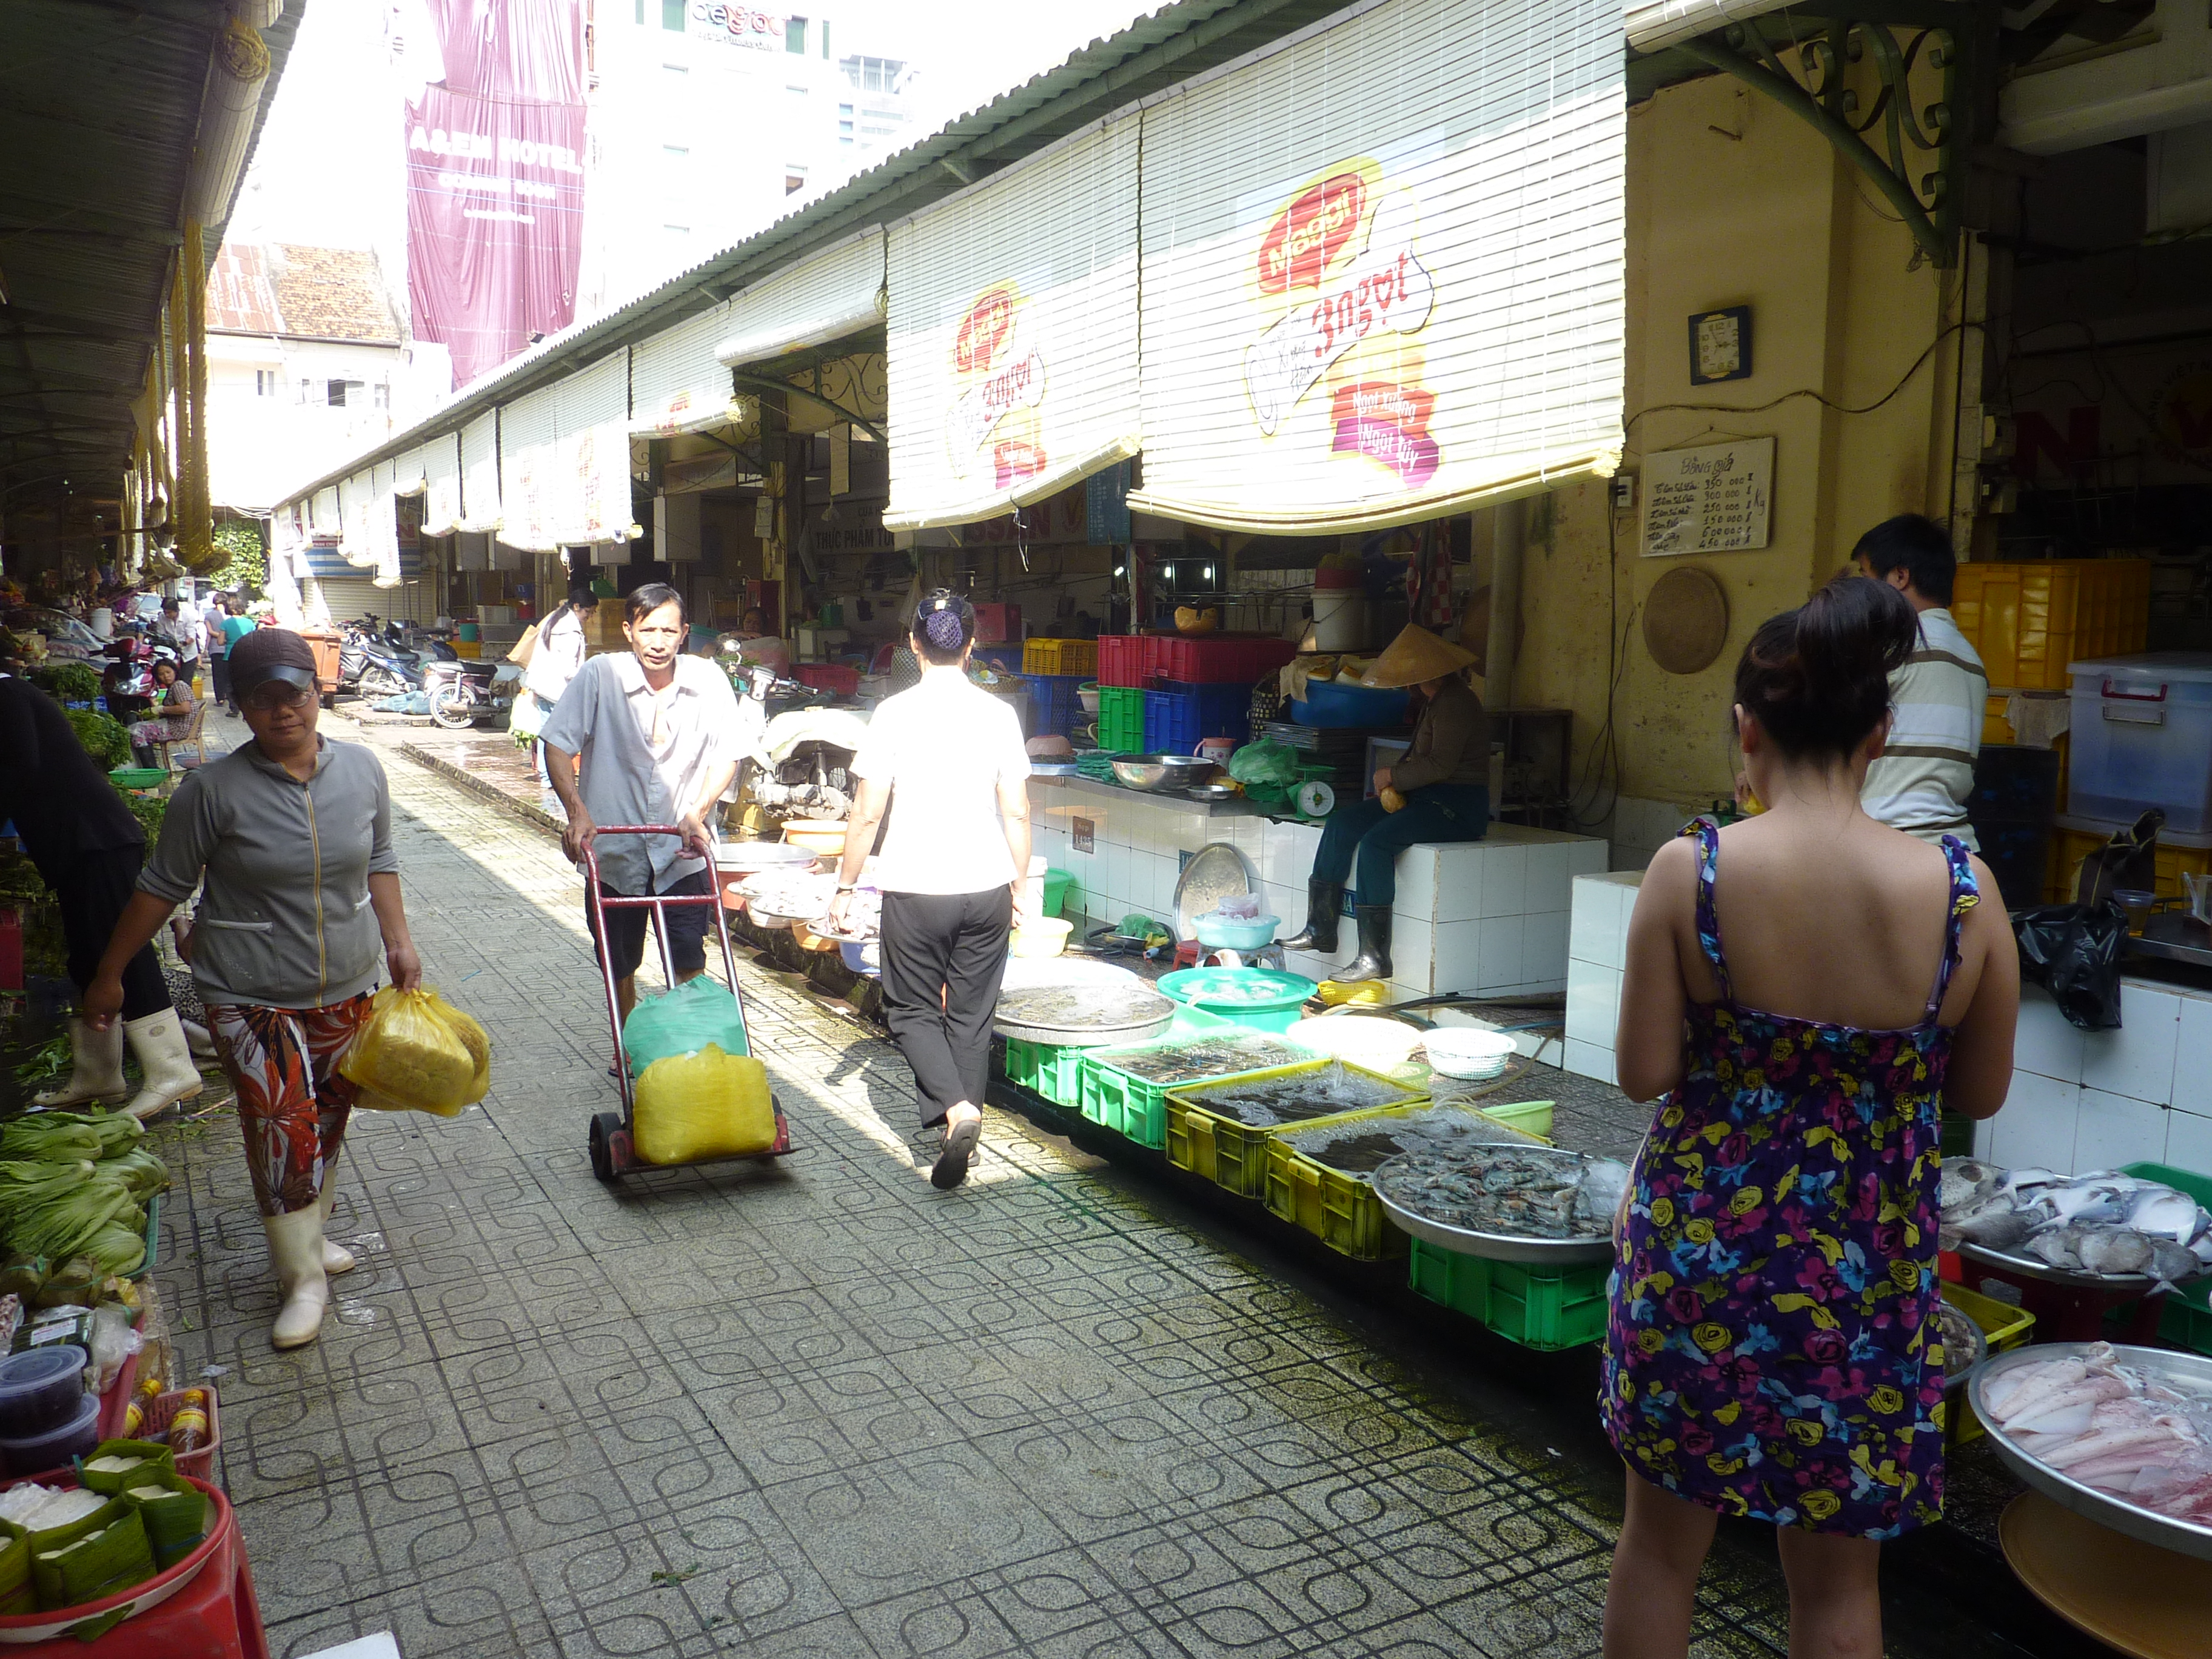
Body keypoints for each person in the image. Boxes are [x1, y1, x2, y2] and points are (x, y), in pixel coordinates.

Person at [1598, 577, 2019, 1659]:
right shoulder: (1966, 892)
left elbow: (1643, 1073)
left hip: (1698, 1257)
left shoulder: (1688, 871)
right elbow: (1978, 1094)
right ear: (1880, 735)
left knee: (1660, 1552)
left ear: (1747, 728)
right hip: (1863, 1275)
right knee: (1838, 1585)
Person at [82, 629, 421, 1350]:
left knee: (328, 1116)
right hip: (247, 989)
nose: (283, 711)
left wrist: (399, 940)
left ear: (317, 693)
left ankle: (311, 1236)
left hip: (347, 982)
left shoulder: (363, 770)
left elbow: (382, 857)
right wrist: (111, 974)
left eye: (294, 694)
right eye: (263, 700)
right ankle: (301, 1279)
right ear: (242, 705)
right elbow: (161, 886)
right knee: (279, 1124)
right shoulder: (211, 792)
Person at [828, 591, 1031, 1190]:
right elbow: (1018, 811)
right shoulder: (999, 715)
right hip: (987, 885)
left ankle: (959, 1110)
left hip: (917, 886)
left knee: (911, 1008)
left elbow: (867, 813)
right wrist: (1021, 887)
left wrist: (845, 886)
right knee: (970, 1016)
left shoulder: (894, 713)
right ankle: (960, 1134)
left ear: (914, 645)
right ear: (972, 646)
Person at [541, 584, 743, 1025]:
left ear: (684, 633)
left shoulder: (708, 680)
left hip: (681, 851)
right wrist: (577, 813)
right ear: (628, 630)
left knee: (689, 957)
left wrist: (698, 811)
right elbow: (557, 744)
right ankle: (627, 1042)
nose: (658, 642)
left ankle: (689, 1043)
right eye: (648, 630)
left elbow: (728, 753)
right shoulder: (601, 675)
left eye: (668, 631)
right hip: (614, 853)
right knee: (619, 963)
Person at [0, 678, 199, 1122]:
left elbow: (19, 767)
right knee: (88, 957)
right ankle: (99, 1074)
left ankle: (172, 1069)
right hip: (73, 845)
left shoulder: (7, 694)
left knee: (124, 954)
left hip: (96, 840)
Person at [1282, 624, 1490, 982]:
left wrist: (1392, 775)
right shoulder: (1437, 701)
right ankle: (1320, 928)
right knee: (1342, 823)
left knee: (1377, 843)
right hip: (1424, 797)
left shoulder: (1457, 703)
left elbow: (1441, 765)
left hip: (1456, 807)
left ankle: (1374, 956)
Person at [1854, 514, 1987, 849]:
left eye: (1866, 578)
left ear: (1900, 576)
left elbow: (1829, 737)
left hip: (1892, 846)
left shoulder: (1895, 647)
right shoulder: (1971, 658)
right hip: (1955, 848)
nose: (1862, 595)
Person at [521, 583, 598, 792]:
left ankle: (547, 778)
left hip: (542, 686)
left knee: (546, 733)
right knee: (562, 737)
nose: (589, 617)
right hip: (558, 691)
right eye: (588, 612)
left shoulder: (554, 619)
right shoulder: (570, 630)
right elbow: (569, 670)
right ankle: (559, 778)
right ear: (577, 607)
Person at [129, 659, 198, 768]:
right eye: (161, 674)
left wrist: (161, 709)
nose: (166, 676)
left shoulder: (179, 686)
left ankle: (151, 769)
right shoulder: (174, 687)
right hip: (177, 725)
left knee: (136, 730)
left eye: (168, 672)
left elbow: (185, 709)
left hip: (179, 728)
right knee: (140, 726)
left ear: (175, 671)